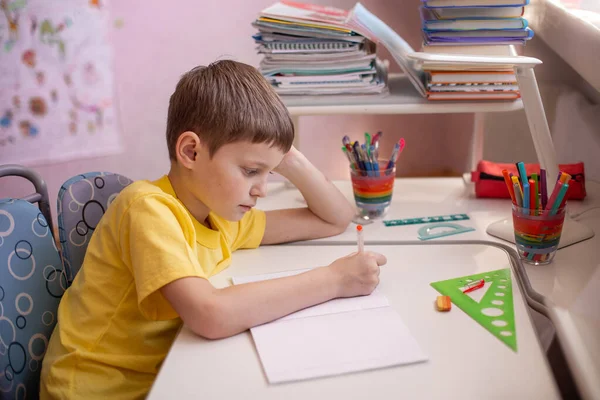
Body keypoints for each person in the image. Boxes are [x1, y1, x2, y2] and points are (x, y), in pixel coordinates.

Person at [41, 60, 387, 399]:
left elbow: (334, 218)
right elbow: (210, 315)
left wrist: (286, 156)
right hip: (96, 389)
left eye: (270, 172)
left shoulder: (219, 216)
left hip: (167, 374)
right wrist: (334, 279)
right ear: (191, 151)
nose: (262, 189)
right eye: (251, 171)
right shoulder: (148, 208)